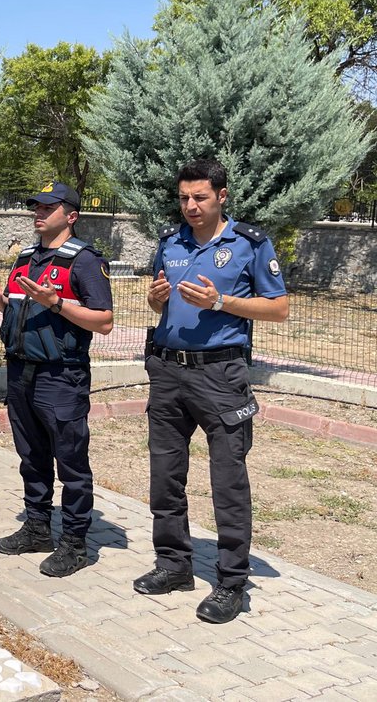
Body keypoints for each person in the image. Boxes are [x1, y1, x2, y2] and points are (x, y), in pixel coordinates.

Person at [133, 159, 289, 624]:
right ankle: (174, 565)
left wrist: (222, 302)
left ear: (222, 196)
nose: (190, 206)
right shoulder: (170, 242)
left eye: (200, 197)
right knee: (165, 475)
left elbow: (279, 308)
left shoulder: (249, 244)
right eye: (184, 197)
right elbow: (155, 299)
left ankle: (232, 582)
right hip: (167, 371)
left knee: (228, 482)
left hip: (221, 376)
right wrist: (155, 299)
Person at [0, 182, 114, 577]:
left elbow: (104, 321)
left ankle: (75, 543)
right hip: (20, 371)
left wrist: (56, 302)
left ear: (70, 215)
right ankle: (37, 527)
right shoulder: (25, 257)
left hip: (61, 376)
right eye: (36, 207)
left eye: (48, 208)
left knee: (71, 462)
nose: (39, 213)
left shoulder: (84, 260)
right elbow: (18, 312)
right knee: (31, 457)